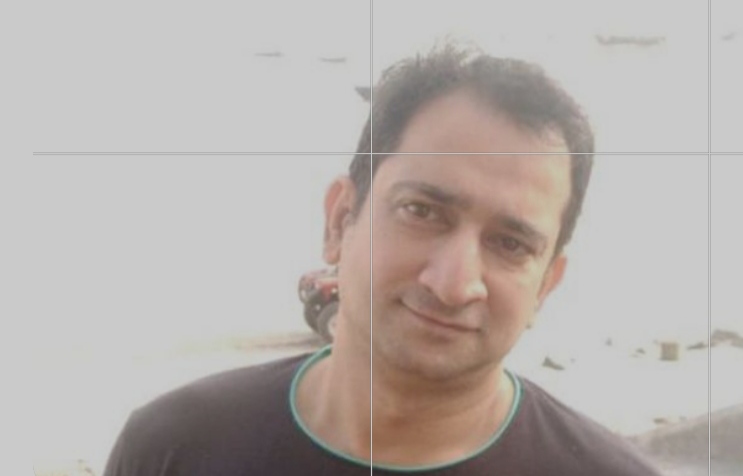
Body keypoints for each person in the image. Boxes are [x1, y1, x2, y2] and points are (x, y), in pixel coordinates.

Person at [103, 45, 665, 475]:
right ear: (339, 220)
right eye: (422, 211)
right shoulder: (176, 448)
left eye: (510, 244)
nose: (453, 283)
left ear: (546, 285)